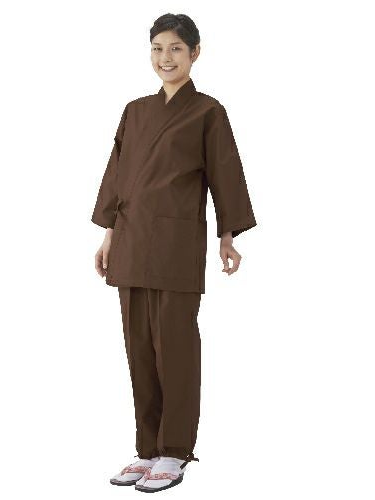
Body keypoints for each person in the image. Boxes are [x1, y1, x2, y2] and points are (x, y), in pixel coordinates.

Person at [91, 13, 257, 493]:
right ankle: (147, 450)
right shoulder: (135, 111)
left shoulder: (208, 112)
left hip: (176, 245)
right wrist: (108, 234)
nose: (165, 58)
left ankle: (176, 451)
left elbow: (225, 172)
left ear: (194, 53)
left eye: (176, 49)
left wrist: (228, 236)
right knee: (139, 350)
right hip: (131, 242)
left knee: (176, 349)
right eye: (157, 48)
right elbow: (117, 175)